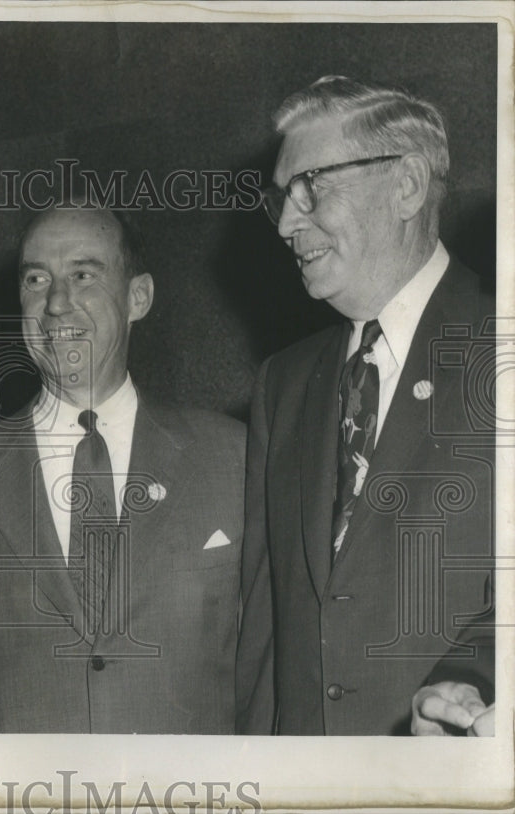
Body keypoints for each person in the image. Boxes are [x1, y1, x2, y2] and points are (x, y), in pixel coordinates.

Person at [236, 76, 495, 735]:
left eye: (311, 187)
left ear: (406, 185)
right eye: (281, 198)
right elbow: (267, 624)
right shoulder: (282, 384)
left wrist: (475, 679)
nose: (288, 222)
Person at [0, 202, 245, 733]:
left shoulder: (234, 458)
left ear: (138, 297)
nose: (56, 303)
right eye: (35, 279)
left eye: (83, 275)